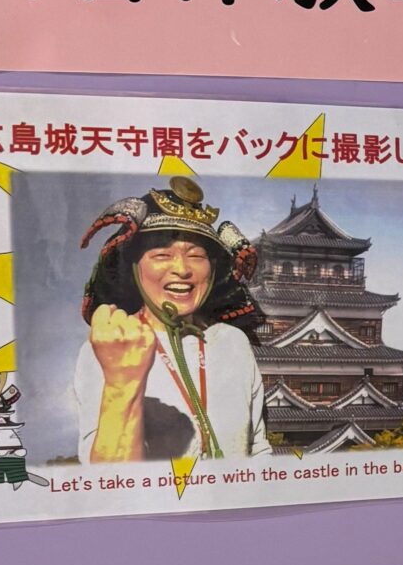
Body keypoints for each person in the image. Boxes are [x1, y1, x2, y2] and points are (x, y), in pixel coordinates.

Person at [74, 177, 270, 462]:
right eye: (162, 254)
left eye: (196, 255)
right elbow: (106, 476)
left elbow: (259, 448)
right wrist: (122, 381)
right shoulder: (108, 348)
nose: (182, 269)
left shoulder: (233, 342)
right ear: (134, 268)